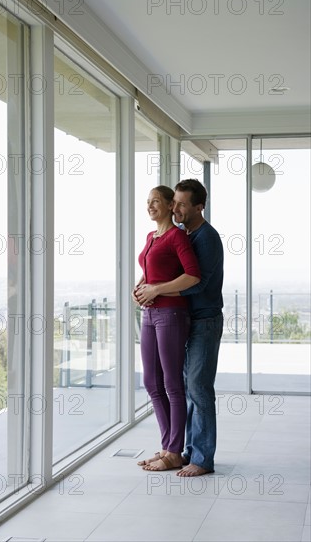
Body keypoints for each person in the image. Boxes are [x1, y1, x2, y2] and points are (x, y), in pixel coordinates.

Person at [137, 179, 224, 477]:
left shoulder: (206, 238)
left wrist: (156, 290)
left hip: (204, 319)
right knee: (181, 387)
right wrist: (147, 286)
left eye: (182, 204)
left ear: (200, 206)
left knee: (198, 388)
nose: (176, 207)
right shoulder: (181, 234)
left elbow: (196, 282)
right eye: (175, 201)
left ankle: (201, 458)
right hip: (184, 317)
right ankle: (181, 449)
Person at [132, 185, 200, 472]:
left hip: (171, 314)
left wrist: (156, 289)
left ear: (170, 205)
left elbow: (192, 276)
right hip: (149, 314)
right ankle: (167, 446)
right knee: (151, 382)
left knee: (172, 384)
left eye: (156, 201)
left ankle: (174, 451)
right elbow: (151, 270)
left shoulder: (177, 237)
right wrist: (140, 285)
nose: (150, 206)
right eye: (148, 201)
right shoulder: (151, 237)